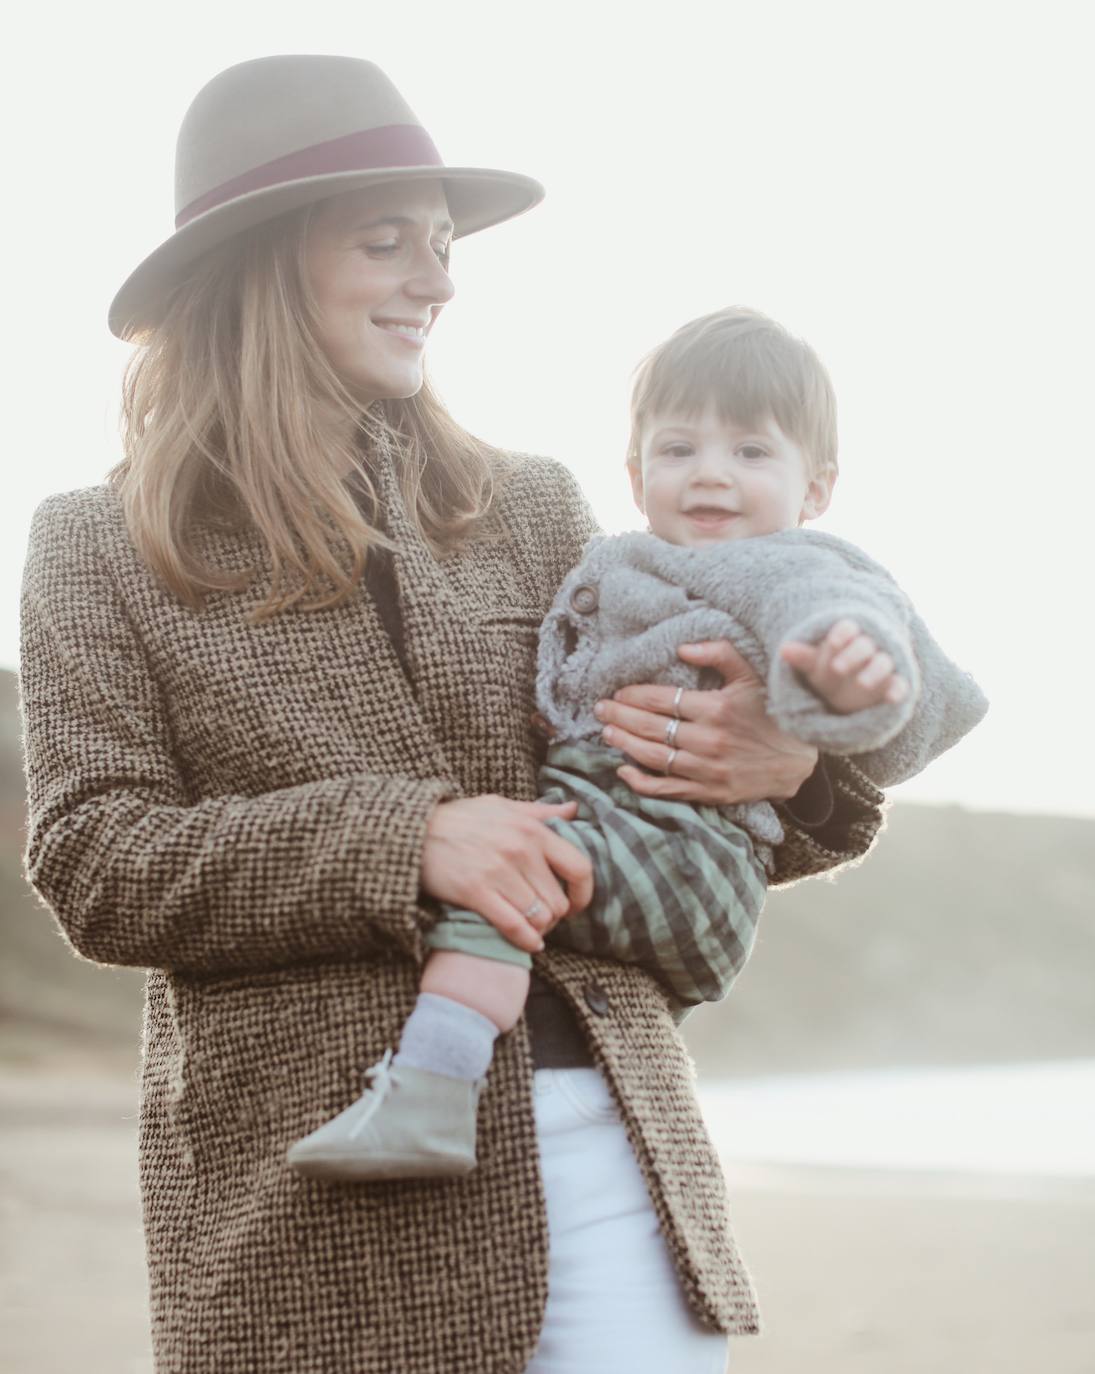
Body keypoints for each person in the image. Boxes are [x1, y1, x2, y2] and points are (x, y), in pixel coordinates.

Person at [19, 57, 887, 1374]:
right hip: (302, 1212)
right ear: (260, 263)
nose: (437, 279)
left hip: (609, 1155)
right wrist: (403, 837)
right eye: (388, 243)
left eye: (439, 244)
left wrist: (785, 753)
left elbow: (687, 797)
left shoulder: (533, 505)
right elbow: (95, 861)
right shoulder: (93, 545)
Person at [287, 306, 987, 1183]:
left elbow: (828, 615)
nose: (711, 476)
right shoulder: (631, 559)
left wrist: (834, 683)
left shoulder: (788, 564)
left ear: (816, 490)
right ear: (633, 471)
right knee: (515, 876)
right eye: (679, 449)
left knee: (505, 880)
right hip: (642, 837)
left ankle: (432, 1088)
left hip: (686, 850)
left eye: (751, 452)